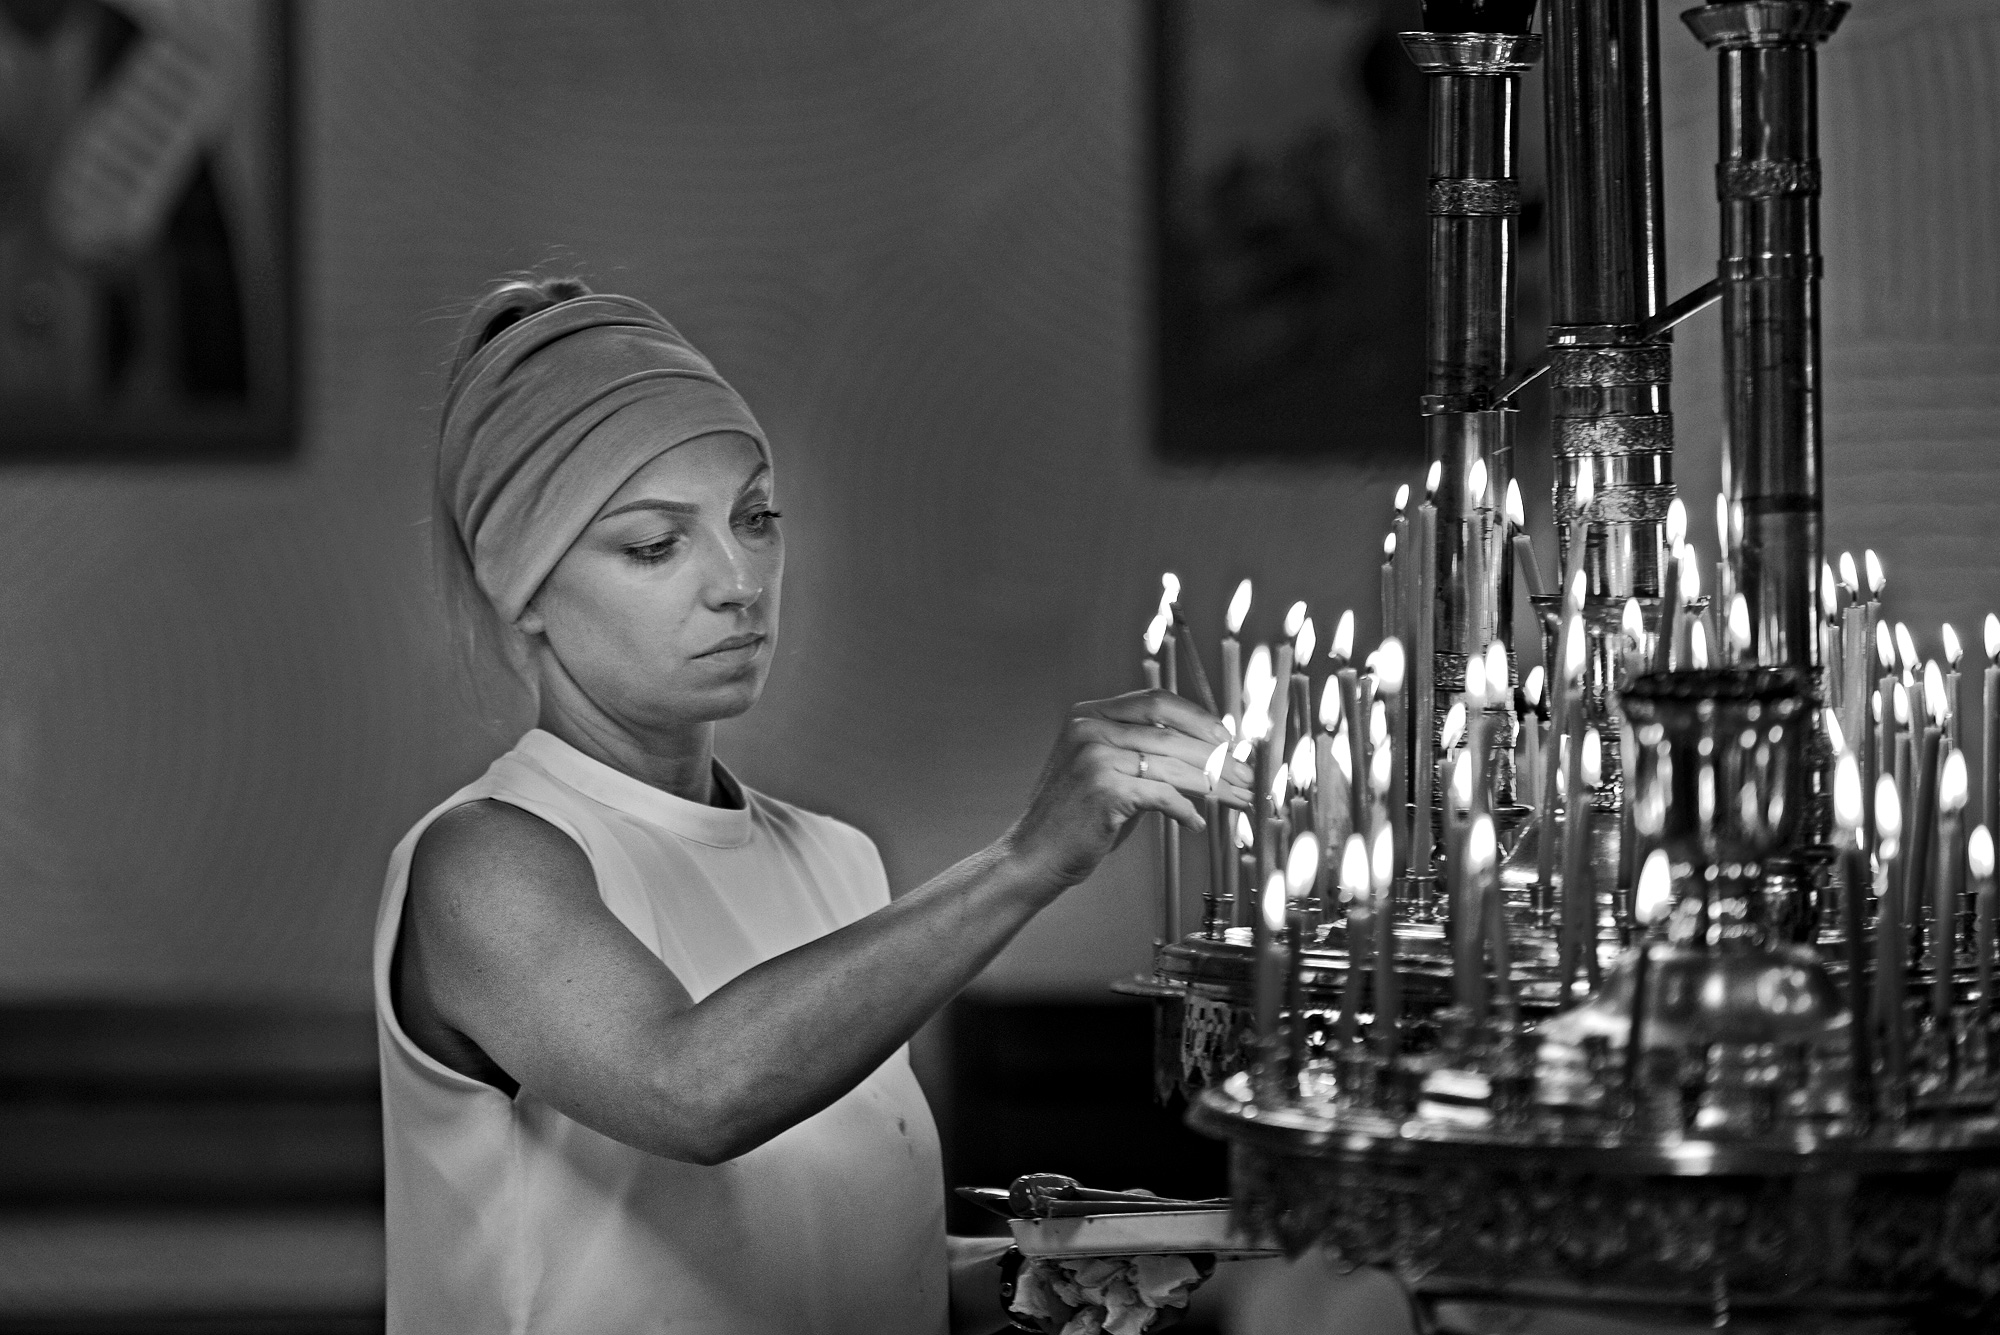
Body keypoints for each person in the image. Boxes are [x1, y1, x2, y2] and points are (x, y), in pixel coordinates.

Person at [375, 277, 1254, 1334]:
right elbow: (692, 1091)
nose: (738, 580)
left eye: (754, 518)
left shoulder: (836, 862)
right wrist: (1027, 859)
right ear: (522, 588)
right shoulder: (484, 861)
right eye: (656, 544)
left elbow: (815, 1248)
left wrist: (1048, 1272)